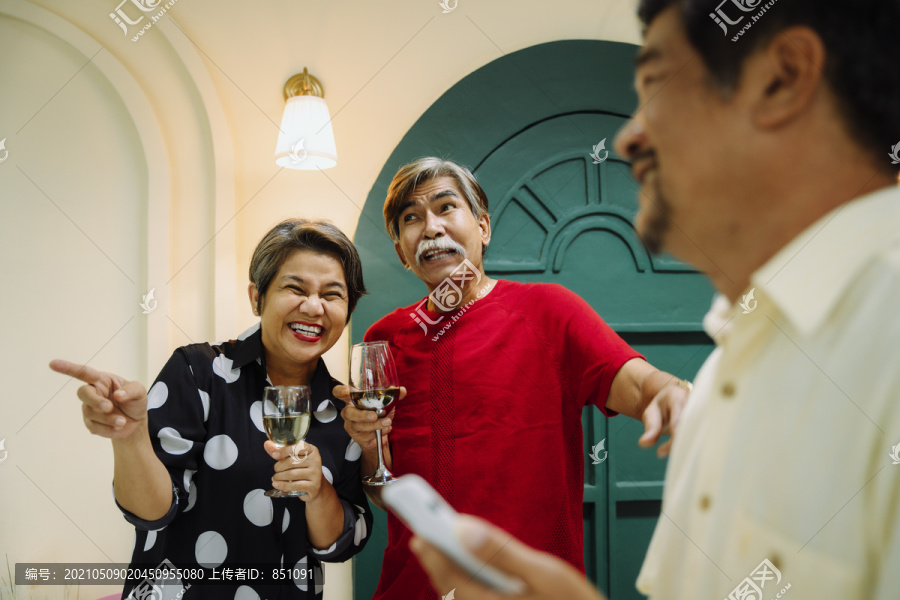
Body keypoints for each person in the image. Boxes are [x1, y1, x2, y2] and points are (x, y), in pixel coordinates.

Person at [409, 0, 900, 598]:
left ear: (784, 77)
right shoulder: (733, 362)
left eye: (658, 87)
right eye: (411, 218)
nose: (629, 135)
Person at [336, 157, 693, 600]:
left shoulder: (550, 310)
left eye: (446, 207)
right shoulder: (383, 339)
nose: (430, 227)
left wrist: (671, 394)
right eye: (412, 218)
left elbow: (638, 384)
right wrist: (370, 448)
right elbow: (384, 490)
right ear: (402, 252)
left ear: (482, 227)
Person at [50, 219, 373, 600]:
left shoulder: (343, 411)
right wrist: (132, 437)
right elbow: (153, 511)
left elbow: (343, 545)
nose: (313, 306)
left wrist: (319, 494)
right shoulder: (198, 371)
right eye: (295, 288)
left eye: (332, 294)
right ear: (257, 297)